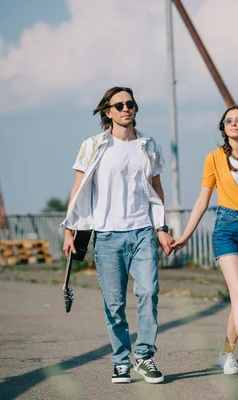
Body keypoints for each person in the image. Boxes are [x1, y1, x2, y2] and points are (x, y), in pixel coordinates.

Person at [61, 86, 173, 384]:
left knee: (148, 292)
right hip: (108, 236)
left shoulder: (149, 145)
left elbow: (157, 188)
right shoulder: (94, 145)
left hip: (141, 234)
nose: (126, 108)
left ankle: (145, 357)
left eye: (130, 103)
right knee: (115, 304)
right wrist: (70, 229)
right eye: (119, 105)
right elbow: (78, 189)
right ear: (107, 112)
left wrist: (161, 228)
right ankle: (121, 361)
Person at [171, 105, 238, 380]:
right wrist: (185, 235)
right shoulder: (214, 158)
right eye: (228, 121)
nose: (233, 124)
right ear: (223, 128)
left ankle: (226, 353)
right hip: (226, 228)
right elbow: (202, 199)